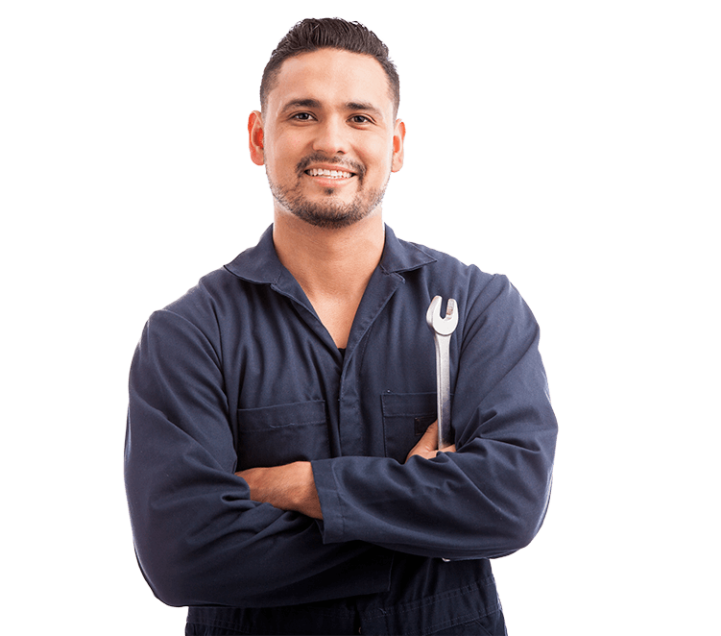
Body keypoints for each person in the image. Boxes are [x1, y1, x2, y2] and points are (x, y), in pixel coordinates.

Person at [124, 17, 557, 636]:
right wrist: (423, 528)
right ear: (257, 138)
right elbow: (180, 555)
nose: (332, 140)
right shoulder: (190, 334)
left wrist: (300, 486)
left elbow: (510, 503)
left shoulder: (480, 309)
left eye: (359, 117)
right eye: (303, 115)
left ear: (397, 144)